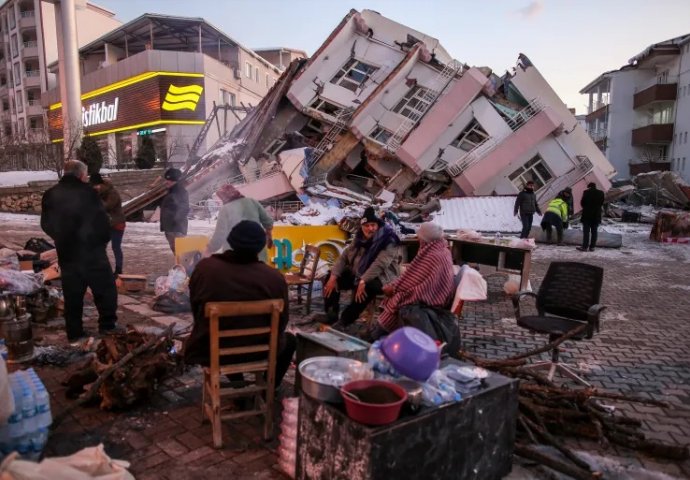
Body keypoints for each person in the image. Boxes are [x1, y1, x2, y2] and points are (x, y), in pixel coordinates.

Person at [184, 220, 295, 388]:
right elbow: (282, 321)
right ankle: (267, 389)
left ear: (231, 241)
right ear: (261, 246)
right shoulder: (275, 278)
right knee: (291, 341)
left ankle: (238, 384)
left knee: (219, 333)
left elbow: (196, 311)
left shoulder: (205, 269)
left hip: (214, 350)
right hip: (261, 350)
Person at [40, 160, 121, 342]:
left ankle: (74, 333)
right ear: (81, 175)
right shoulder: (88, 193)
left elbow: (45, 224)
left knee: (72, 295)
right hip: (92, 252)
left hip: (67, 253)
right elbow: (101, 221)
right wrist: (101, 241)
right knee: (106, 290)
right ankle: (107, 326)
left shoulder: (50, 194)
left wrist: (60, 238)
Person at [322, 206, 400, 330]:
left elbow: (380, 264)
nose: (370, 228)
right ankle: (331, 313)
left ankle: (344, 320)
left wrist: (363, 280)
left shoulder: (388, 240)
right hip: (359, 273)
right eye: (367, 225)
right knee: (331, 277)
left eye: (373, 225)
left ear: (377, 225)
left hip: (382, 278)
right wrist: (333, 275)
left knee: (366, 288)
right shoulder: (359, 238)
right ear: (362, 227)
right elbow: (344, 256)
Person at [373, 222, 455, 337]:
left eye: (420, 237)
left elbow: (411, 281)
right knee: (396, 294)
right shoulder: (442, 249)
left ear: (425, 239)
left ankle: (377, 336)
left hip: (430, 297)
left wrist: (393, 288)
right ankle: (379, 333)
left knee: (397, 299)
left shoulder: (432, 255)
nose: (418, 239)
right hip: (437, 292)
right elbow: (415, 276)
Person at [204, 183, 274, 261]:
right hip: (258, 255)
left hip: (235, 258)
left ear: (225, 196)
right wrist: (269, 235)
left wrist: (208, 250)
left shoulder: (225, 209)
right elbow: (268, 222)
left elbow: (219, 235)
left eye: (221, 197)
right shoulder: (252, 201)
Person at [90, 173, 125, 276]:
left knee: (116, 246)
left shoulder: (112, 193)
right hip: (107, 224)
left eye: (96, 186)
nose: (95, 188)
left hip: (117, 223)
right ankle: (101, 267)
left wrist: (96, 198)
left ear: (102, 185)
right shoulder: (101, 192)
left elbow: (107, 206)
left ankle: (118, 270)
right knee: (101, 246)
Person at [160, 168, 189, 255]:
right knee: (178, 254)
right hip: (171, 228)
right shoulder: (171, 191)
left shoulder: (180, 191)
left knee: (181, 254)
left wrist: (175, 220)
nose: (166, 182)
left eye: (169, 180)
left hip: (176, 229)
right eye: (166, 179)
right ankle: (180, 267)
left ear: (175, 180)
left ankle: (184, 268)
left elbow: (184, 208)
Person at [578, 182, 605, 252]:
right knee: (594, 232)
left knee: (586, 232)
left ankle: (585, 247)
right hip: (596, 215)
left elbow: (582, 203)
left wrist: (587, 207)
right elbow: (602, 203)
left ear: (589, 187)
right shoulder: (601, 193)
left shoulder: (586, 192)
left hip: (587, 215)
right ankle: (592, 247)